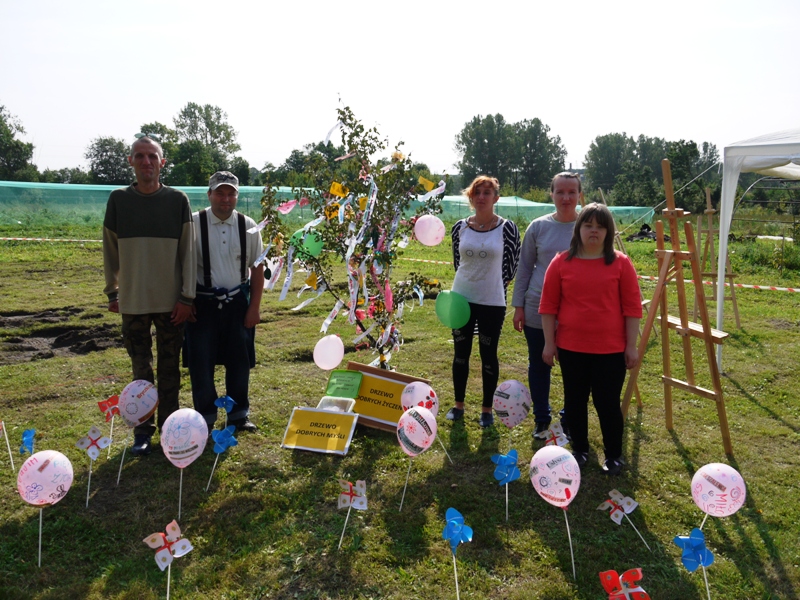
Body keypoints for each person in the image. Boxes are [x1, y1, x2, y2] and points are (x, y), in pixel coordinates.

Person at [103, 134, 196, 456]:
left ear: (162, 162)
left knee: (170, 370)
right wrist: (112, 292)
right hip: (133, 303)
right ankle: (142, 431)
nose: (146, 162)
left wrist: (186, 298)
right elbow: (110, 251)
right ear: (130, 161)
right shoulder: (118, 200)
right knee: (140, 372)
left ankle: (171, 428)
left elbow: (188, 252)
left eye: (152, 156)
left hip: (171, 304)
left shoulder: (177, 200)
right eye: (140, 156)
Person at [539, 203, 642, 475]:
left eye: (600, 226)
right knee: (575, 402)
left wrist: (631, 346)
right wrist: (549, 343)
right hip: (571, 348)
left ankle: (614, 455)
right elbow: (548, 307)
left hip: (611, 350)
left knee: (607, 403)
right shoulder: (560, 262)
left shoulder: (621, 263)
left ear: (609, 231)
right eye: (588, 225)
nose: (594, 231)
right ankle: (580, 450)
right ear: (578, 229)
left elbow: (632, 308)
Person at [184, 171, 264, 433]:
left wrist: (254, 307)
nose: (225, 199)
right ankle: (205, 417)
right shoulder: (192, 223)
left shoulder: (248, 225)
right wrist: (185, 300)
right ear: (209, 194)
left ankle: (238, 416)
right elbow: (179, 265)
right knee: (201, 361)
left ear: (237, 196)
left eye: (231, 194)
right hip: (202, 303)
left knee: (239, 360)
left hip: (237, 302)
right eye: (220, 193)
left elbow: (257, 268)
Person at [447, 175, 520, 427]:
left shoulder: (507, 228)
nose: (481, 197)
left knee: (488, 355)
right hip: (460, 300)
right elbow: (458, 262)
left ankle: (486, 410)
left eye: (487, 193)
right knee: (460, 354)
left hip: (492, 301)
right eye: (477, 192)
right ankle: (458, 405)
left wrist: (490, 284)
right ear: (471, 196)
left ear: (495, 198)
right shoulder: (459, 227)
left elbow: (511, 267)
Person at [512, 172, 580, 440]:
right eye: (560, 192)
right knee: (539, 364)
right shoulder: (537, 227)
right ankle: (542, 419)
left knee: (573, 369)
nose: (566, 197)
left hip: (575, 313)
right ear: (551, 194)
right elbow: (524, 268)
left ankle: (569, 418)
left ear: (579, 195)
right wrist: (518, 305)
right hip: (536, 309)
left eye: (571, 192)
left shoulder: (588, 226)